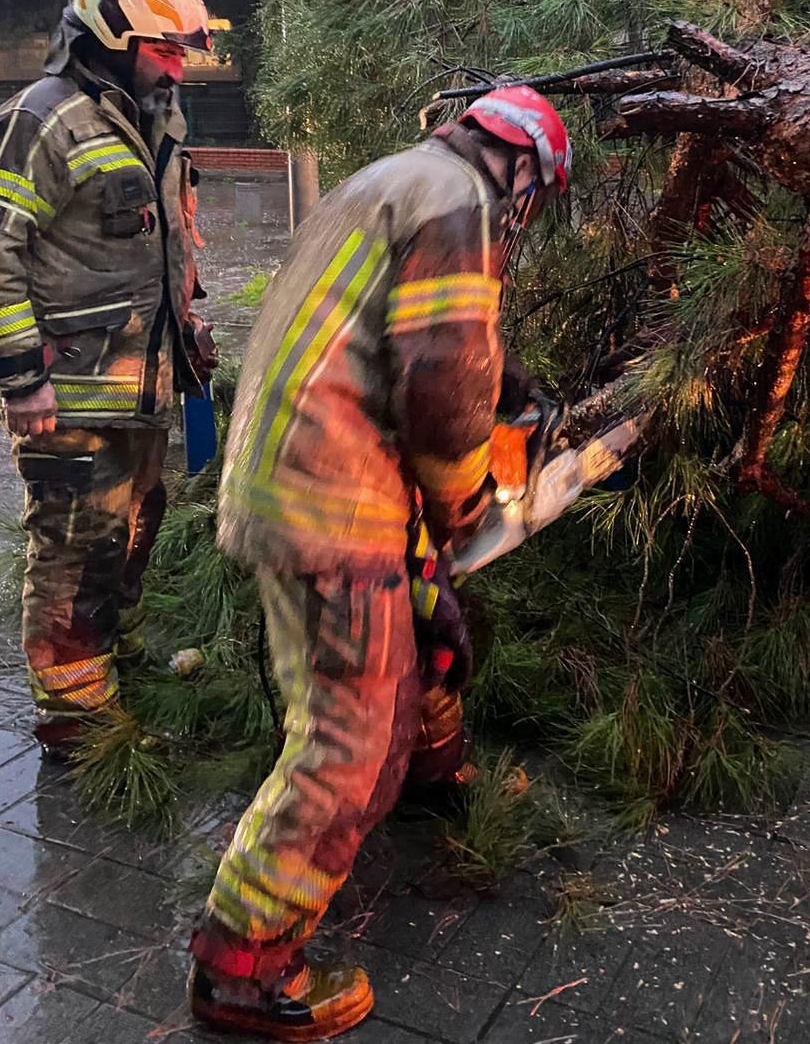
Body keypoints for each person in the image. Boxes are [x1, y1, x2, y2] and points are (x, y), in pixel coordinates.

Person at [187, 86, 572, 1041]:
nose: (527, 220)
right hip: (335, 502)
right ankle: (243, 966)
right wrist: (470, 503)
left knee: (426, 632)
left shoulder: (393, 181)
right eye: (538, 199)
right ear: (522, 170)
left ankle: (435, 781)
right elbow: (442, 385)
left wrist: (510, 388)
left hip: (301, 476)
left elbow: (403, 340)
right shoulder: (463, 205)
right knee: (346, 748)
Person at [0, 0, 218, 755]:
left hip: (140, 383)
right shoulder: (43, 119)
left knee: (134, 528)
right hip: (64, 393)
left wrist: (188, 328)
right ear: (111, 32)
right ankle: (76, 721)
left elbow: (169, 236)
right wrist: (22, 381)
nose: (176, 69)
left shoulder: (155, 114)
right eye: (164, 50)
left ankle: (113, 662)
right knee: (73, 547)